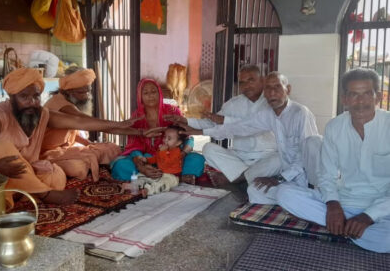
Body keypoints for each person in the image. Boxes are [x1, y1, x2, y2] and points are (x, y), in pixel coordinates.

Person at [0, 68, 152, 207]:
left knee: (56, 177)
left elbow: (82, 123)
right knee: (1, 148)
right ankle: (44, 194)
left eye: (36, 96)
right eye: (24, 97)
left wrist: (129, 128)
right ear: (11, 96)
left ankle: (23, 189)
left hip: (20, 168)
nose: (32, 102)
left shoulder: (42, 114)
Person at [277, 68, 390, 253]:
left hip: (383, 208)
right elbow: (326, 174)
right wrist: (333, 204)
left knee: (388, 239)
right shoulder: (335, 127)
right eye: (353, 95)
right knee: (284, 193)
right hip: (345, 202)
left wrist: (369, 215)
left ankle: (342, 229)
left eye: (366, 94)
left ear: (378, 97)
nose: (360, 102)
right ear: (344, 99)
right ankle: (350, 229)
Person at [179, 72, 319, 204]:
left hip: (302, 178)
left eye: (277, 87)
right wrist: (201, 131)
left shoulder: (300, 113)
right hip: (271, 172)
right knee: (254, 192)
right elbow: (240, 127)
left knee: (281, 186)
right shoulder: (267, 113)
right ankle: (293, 200)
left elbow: (307, 155)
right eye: (268, 88)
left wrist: (281, 178)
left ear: (287, 89)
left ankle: (300, 198)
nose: (272, 93)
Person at [165, 65, 279, 187]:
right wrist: (186, 121)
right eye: (242, 82)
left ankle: (238, 177)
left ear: (262, 80)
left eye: (251, 80)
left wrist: (223, 120)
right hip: (239, 157)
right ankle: (249, 176)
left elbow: (250, 127)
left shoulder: (272, 102)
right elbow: (212, 123)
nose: (246, 85)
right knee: (208, 149)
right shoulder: (233, 104)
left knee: (279, 160)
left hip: (265, 156)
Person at [111, 78, 205, 184]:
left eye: (153, 91)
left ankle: (150, 179)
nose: (150, 95)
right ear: (140, 97)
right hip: (148, 160)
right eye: (145, 92)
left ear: (159, 93)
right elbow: (134, 146)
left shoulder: (172, 111)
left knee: (197, 159)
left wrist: (182, 153)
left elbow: (187, 137)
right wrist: (141, 166)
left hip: (173, 159)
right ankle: (174, 178)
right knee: (120, 166)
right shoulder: (137, 117)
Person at [41, 67, 122, 181]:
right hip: (50, 154)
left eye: (88, 90)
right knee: (79, 166)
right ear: (69, 91)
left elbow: (73, 135)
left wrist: (89, 144)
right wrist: (122, 125)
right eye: (81, 92)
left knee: (113, 148)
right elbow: (86, 121)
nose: (86, 95)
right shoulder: (61, 104)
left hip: (67, 149)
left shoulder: (70, 101)